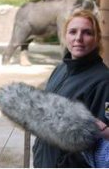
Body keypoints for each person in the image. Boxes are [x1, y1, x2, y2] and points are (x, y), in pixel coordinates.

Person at [32, 9, 109, 167]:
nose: (78, 38)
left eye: (87, 32)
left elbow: (102, 141)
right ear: (65, 36)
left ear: (97, 38)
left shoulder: (104, 80)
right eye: (73, 32)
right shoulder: (60, 69)